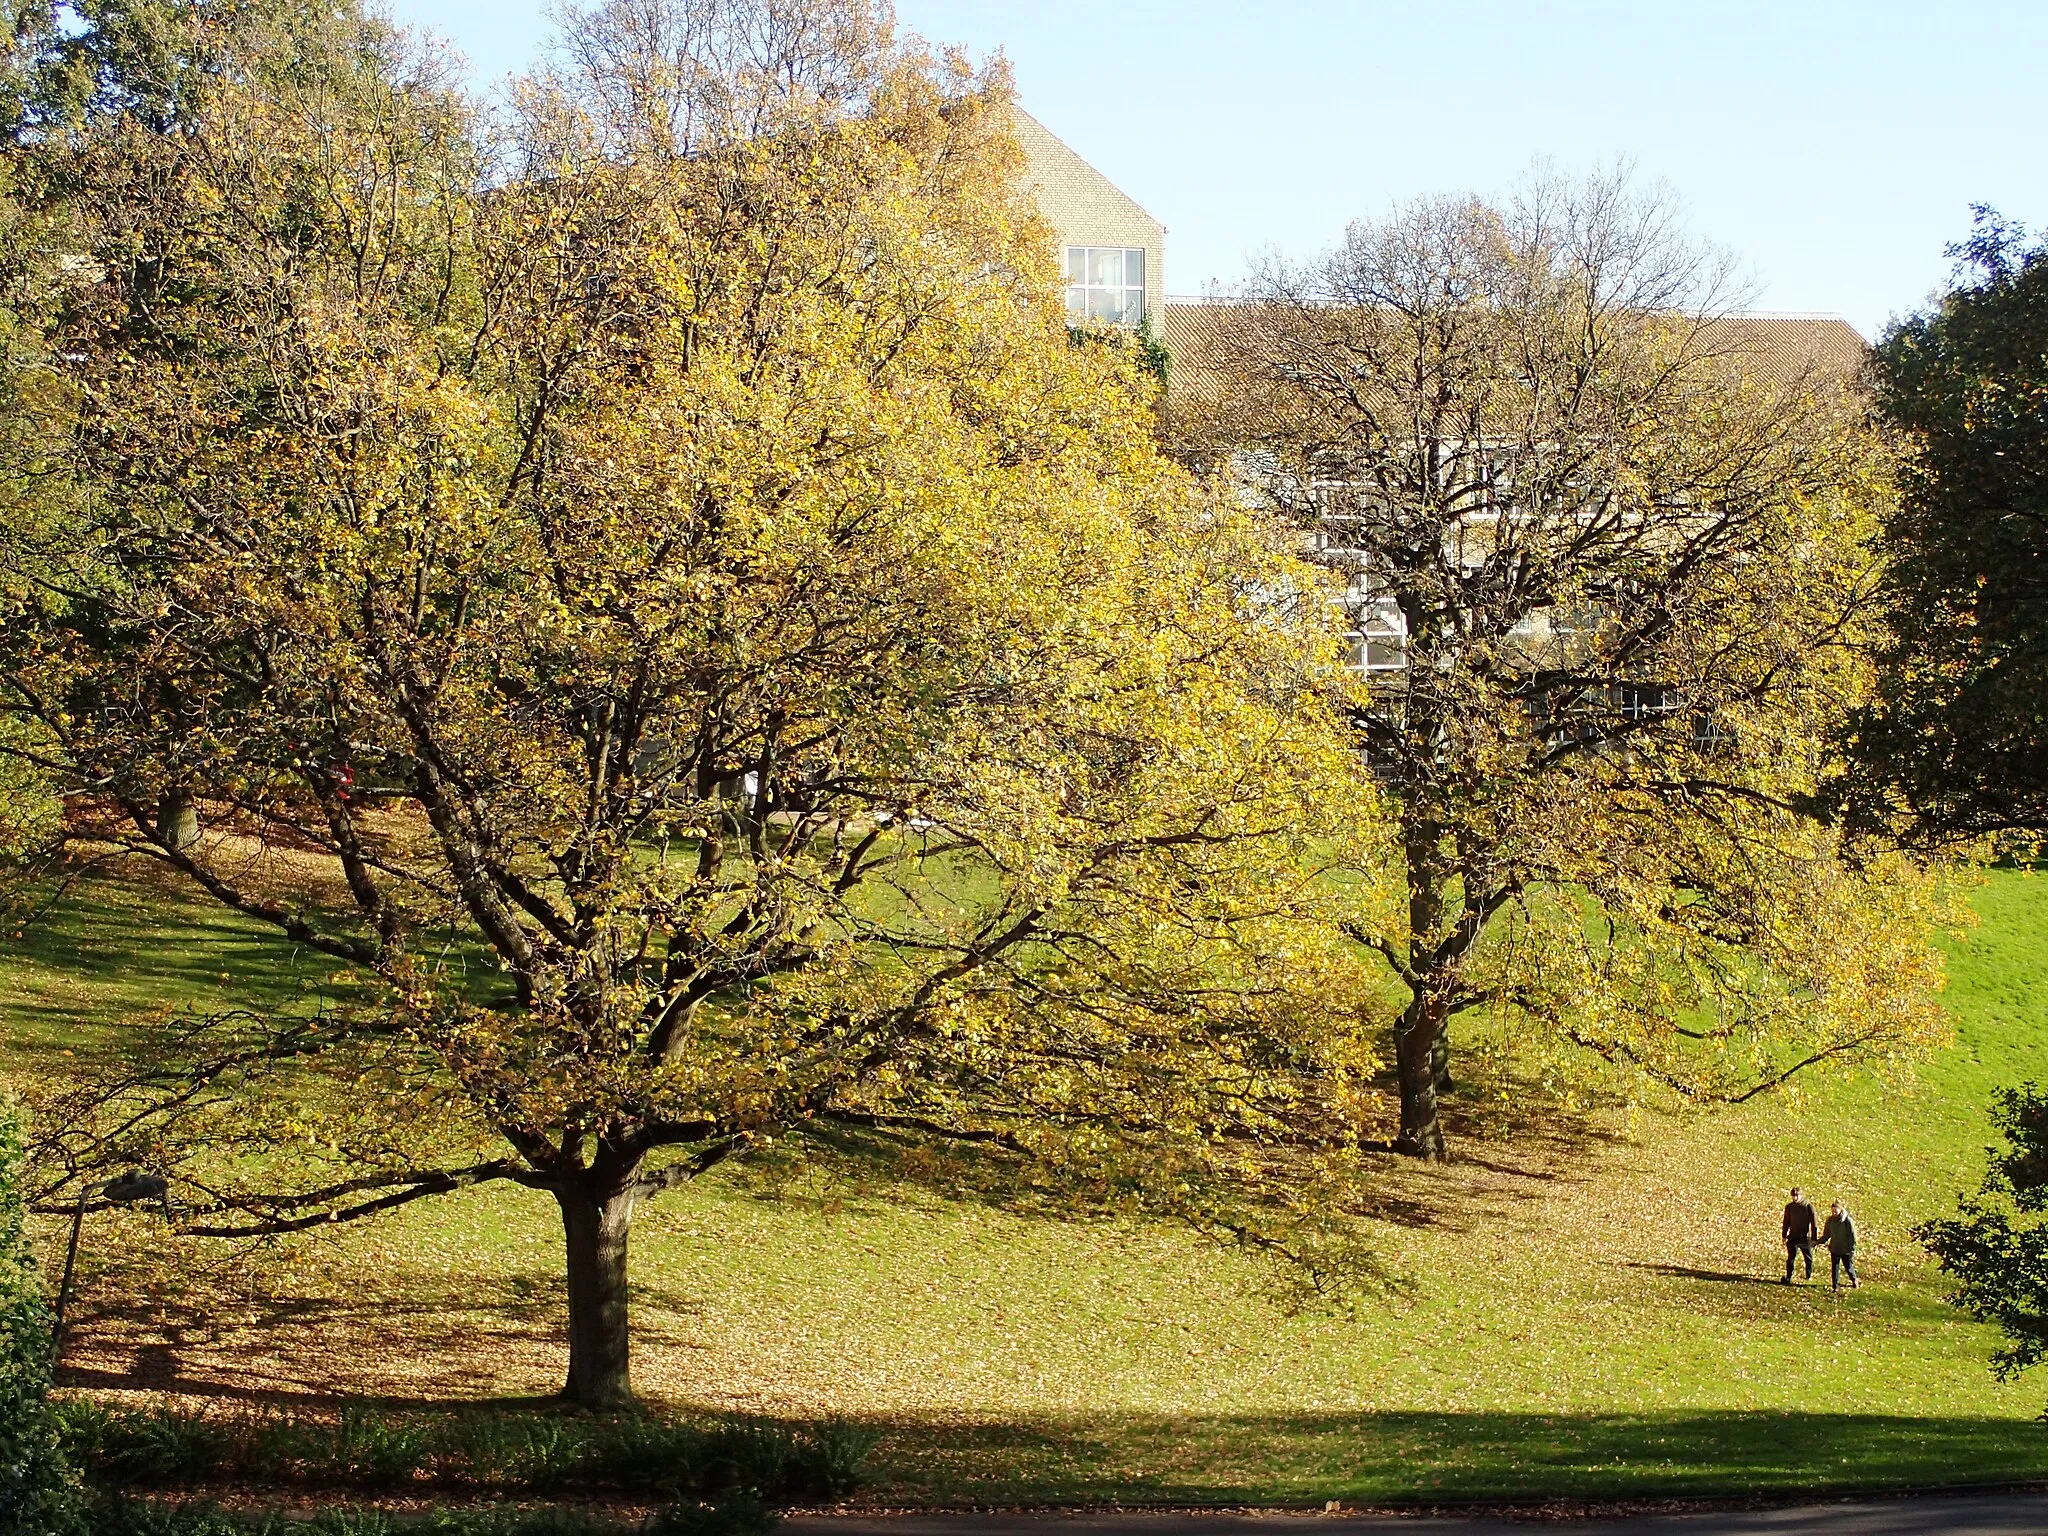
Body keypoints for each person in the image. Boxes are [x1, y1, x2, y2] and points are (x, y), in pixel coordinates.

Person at [1782, 1187, 1818, 1282]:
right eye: (1793, 1196)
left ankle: (1808, 1275)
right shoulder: (1789, 1207)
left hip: (1804, 1237)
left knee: (1808, 1258)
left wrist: (1814, 1238)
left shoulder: (1808, 1207)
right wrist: (1784, 1235)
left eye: (1797, 1196)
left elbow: (1814, 1224)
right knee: (1791, 1258)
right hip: (1793, 1236)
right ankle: (1788, 1276)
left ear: (1801, 1195)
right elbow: (1786, 1222)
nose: (1795, 1198)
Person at [1822, 1200, 1860, 1291]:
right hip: (1835, 1248)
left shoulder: (1847, 1221)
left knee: (1848, 1267)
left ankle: (1854, 1280)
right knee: (1835, 1268)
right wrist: (1818, 1242)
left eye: (1836, 1211)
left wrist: (1852, 1249)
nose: (1834, 1213)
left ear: (1841, 1210)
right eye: (1833, 1211)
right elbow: (1827, 1234)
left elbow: (1852, 1235)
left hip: (1846, 1249)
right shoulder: (1830, 1220)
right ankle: (1835, 1286)